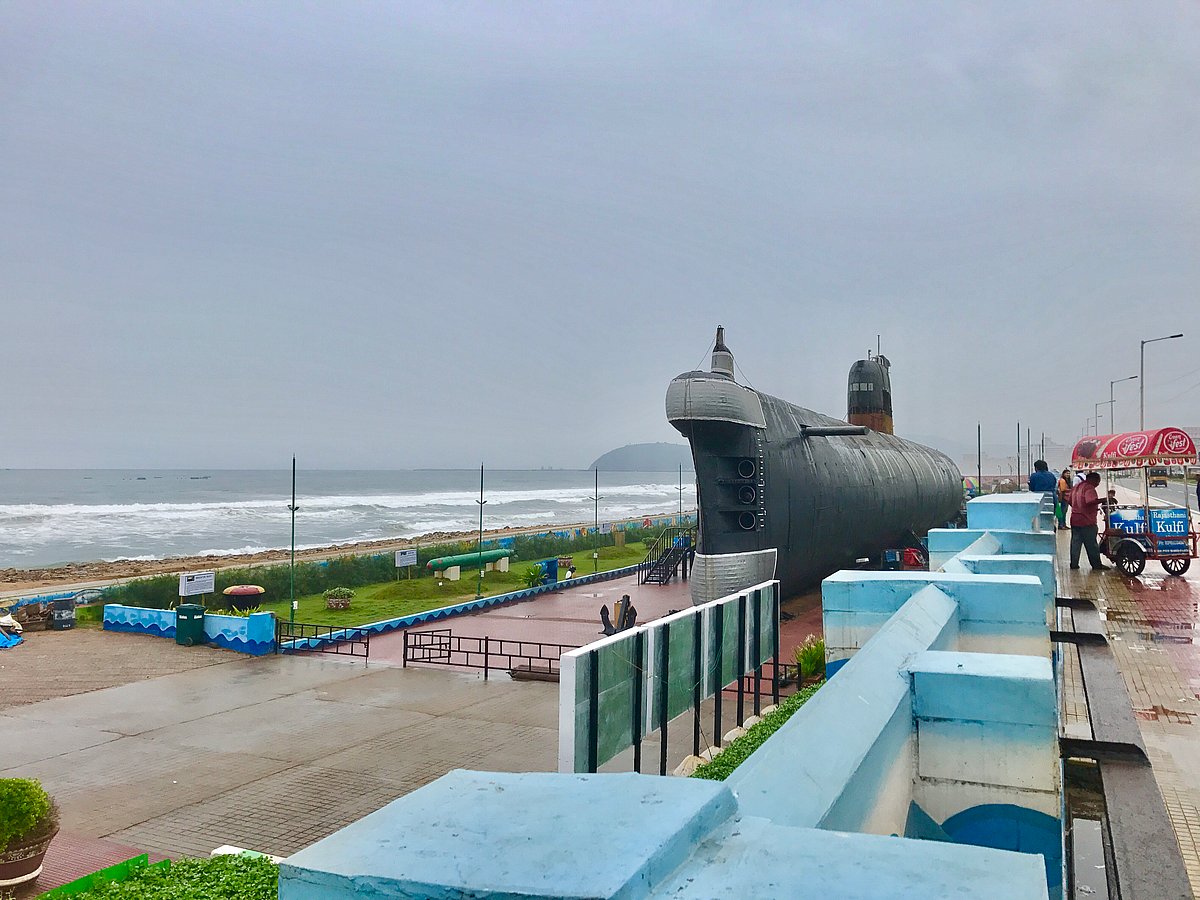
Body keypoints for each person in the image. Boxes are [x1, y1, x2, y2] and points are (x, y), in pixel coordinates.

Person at [1069, 472, 1109, 572]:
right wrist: (1104, 499)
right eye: (1098, 481)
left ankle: (1074, 564)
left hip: (1074, 519)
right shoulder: (1089, 488)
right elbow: (1090, 501)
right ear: (1093, 480)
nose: (1098, 484)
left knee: (1075, 543)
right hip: (1087, 520)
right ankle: (1096, 565)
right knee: (1091, 544)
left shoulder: (1076, 487)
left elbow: (1069, 501)